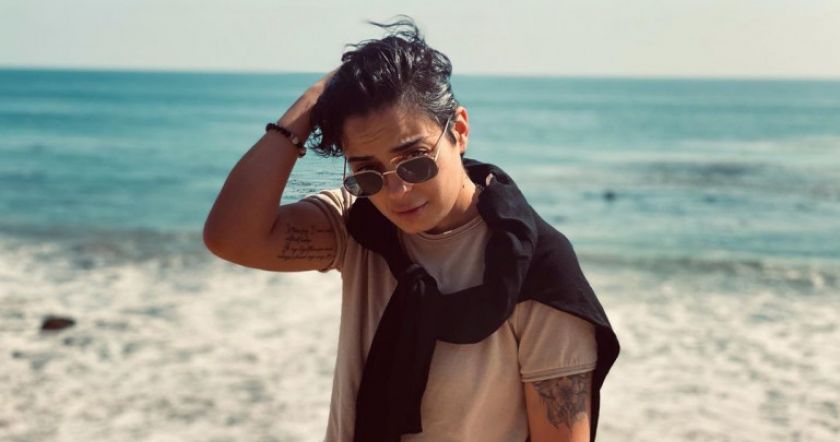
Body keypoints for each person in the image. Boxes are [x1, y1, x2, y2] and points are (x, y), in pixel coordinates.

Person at [203, 16, 618, 442]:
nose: (397, 191)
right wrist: (310, 104)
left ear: (459, 131)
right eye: (368, 173)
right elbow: (232, 237)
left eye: (415, 161)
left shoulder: (538, 268)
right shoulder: (359, 225)